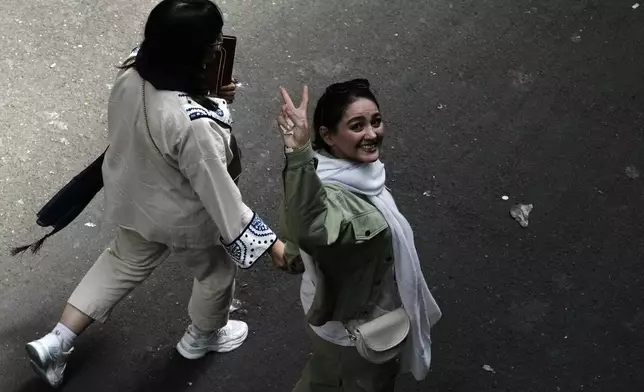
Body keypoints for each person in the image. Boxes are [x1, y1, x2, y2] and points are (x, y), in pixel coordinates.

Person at [25, 0, 285, 388]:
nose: (218, 47)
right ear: (197, 52)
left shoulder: (131, 71)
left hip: (134, 198)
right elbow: (220, 194)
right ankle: (203, 337)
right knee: (215, 275)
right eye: (212, 42)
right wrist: (274, 246)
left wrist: (206, 91)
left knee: (121, 262)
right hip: (186, 218)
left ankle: (56, 341)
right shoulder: (193, 121)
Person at [275, 79, 442, 392]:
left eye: (376, 121)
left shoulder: (339, 172)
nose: (372, 134)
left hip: (332, 320)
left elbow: (301, 239)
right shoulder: (329, 192)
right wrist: (297, 151)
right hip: (353, 334)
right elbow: (310, 228)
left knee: (323, 379)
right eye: (357, 125)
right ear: (327, 135)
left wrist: (295, 258)